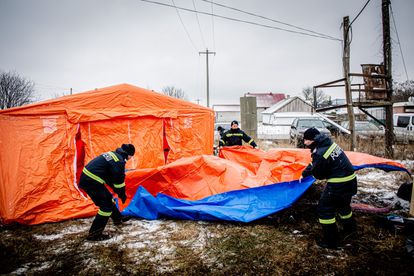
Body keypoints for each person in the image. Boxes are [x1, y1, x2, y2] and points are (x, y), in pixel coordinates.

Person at [301, 127, 357, 249]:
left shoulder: (319, 153)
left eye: (306, 140)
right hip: (350, 181)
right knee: (343, 207)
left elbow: (318, 174)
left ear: (312, 140)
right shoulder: (328, 143)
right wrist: (305, 172)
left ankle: (331, 241)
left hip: (338, 184)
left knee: (324, 209)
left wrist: (311, 174)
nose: (304, 143)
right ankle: (351, 230)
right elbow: (316, 162)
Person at [79, 143, 135, 241]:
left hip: (90, 178)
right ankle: (94, 234)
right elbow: (119, 181)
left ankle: (118, 218)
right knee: (106, 207)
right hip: (91, 181)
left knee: (108, 199)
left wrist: (116, 190)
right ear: (129, 155)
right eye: (131, 156)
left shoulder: (113, 155)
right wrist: (122, 194)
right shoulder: (119, 161)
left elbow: (109, 177)